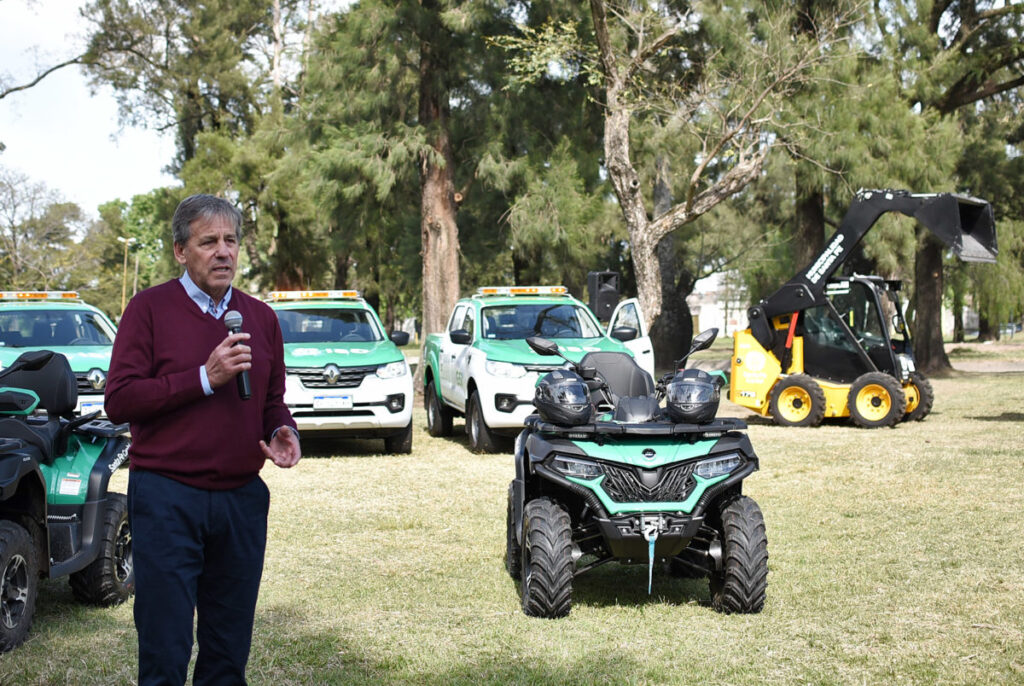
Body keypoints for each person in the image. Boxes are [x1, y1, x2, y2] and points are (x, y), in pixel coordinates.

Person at [105, 194, 301, 686]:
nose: (223, 252)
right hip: (168, 497)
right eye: (208, 241)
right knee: (165, 648)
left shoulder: (260, 318)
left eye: (230, 241)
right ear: (180, 251)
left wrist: (282, 430)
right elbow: (121, 400)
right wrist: (202, 377)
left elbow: (272, 399)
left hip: (241, 502)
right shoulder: (147, 310)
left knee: (227, 651)